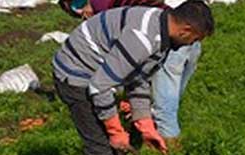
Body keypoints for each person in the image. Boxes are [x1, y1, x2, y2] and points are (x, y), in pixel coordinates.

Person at [53, 1, 214, 155]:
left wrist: (145, 124)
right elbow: (99, 87)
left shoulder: (163, 33)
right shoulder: (143, 38)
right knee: (98, 149)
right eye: (195, 39)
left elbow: (137, 78)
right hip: (76, 75)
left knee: (114, 148)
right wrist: (115, 129)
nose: (193, 44)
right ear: (186, 30)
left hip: (98, 76)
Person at [59, 0, 203, 147]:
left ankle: (169, 152)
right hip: (172, 32)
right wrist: (137, 124)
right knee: (168, 101)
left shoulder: (141, 36)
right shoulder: (148, 29)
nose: (83, 15)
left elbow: (117, 77)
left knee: (164, 105)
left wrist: (118, 129)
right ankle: (164, 152)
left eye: (78, 4)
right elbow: (129, 74)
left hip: (168, 36)